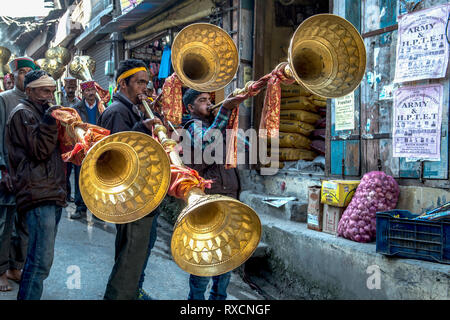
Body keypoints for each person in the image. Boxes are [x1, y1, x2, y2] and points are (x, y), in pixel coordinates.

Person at [97, 59, 162, 300]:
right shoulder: (116, 112)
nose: (145, 88)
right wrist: (142, 128)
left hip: (142, 196)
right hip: (131, 199)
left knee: (136, 255)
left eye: (147, 82)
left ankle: (133, 291)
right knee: (130, 256)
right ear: (123, 84)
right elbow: (114, 157)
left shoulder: (134, 108)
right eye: (140, 83)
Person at [5, 70, 65, 300]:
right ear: (29, 91)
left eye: (51, 91)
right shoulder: (23, 113)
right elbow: (39, 150)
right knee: (39, 263)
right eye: (44, 91)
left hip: (51, 192)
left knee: (41, 262)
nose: (49, 96)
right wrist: (51, 119)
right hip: (39, 194)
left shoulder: (38, 111)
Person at [182, 88, 246, 300]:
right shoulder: (193, 127)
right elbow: (205, 142)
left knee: (226, 257)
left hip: (228, 196)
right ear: (190, 107)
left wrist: (230, 119)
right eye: (202, 101)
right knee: (206, 258)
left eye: (210, 100)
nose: (209, 104)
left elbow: (239, 147)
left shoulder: (213, 126)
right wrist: (225, 109)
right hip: (209, 199)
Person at [0, 57, 38, 292]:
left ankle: (16, 266)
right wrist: (2, 168)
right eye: (22, 72)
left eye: (29, 73)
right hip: (8, 171)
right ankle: (1, 270)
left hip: (29, 174)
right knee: (4, 224)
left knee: (24, 224)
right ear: (13, 76)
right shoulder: (4, 100)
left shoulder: (34, 101)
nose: (25, 76)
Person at [69, 80, 103, 219]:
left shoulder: (102, 107)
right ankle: (80, 207)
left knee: (98, 178)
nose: (90, 93)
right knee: (80, 177)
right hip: (82, 147)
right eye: (87, 91)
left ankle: (97, 209)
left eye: (92, 91)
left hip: (98, 146)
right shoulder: (77, 108)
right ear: (82, 93)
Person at [61, 77, 81, 203]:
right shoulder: (60, 99)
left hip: (75, 139)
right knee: (65, 170)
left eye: (73, 88)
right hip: (63, 139)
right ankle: (65, 194)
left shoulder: (78, 101)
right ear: (65, 87)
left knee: (76, 170)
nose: (70, 90)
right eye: (68, 88)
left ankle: (75, 196)